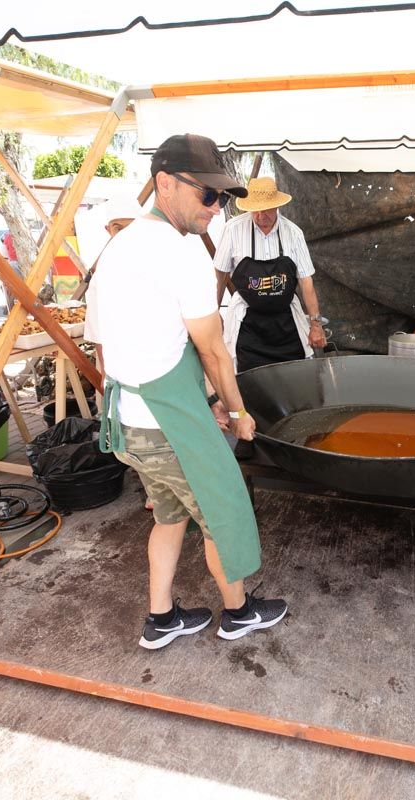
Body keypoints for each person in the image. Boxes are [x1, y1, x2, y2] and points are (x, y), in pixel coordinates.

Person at [86, 134, 288, 651]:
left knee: (170, 514)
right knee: (223, 512)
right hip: (167, 423)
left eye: (222, 197)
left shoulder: (118, 246)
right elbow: (214, 351)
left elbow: (109, 348)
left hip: (129, 420)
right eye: (207, 195)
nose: (216, 209)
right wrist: (238, 411)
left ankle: (162, 617)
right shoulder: (182, 254)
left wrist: (209, 400)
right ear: (165, 184)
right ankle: (240, 612)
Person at [212, 176, 327, 372]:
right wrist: (213, 315)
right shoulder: (233, 230)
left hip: (286, 322)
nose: (259, 216)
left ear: (276, 206)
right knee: (249, 379)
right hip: (248, 323)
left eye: (265, 209)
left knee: (293, 375)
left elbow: (306, 282)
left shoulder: (293, 233)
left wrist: (316, 325)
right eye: (254, 210)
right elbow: (219, 277)